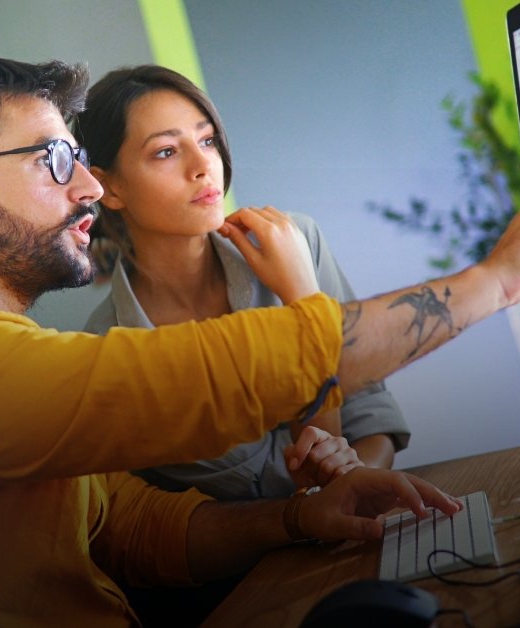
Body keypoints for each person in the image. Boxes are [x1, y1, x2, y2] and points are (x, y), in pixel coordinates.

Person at [0, 55, 520, 627]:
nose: (85, 187)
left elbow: (135, 527)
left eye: (78, 160)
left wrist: (300, 521)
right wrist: (497, 280)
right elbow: (208, 377)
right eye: (53, 161)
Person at [77, 65, 405, 502]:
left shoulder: (297, 241)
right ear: (107, 187)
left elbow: (370, 416)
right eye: (166, 152)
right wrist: (304, 303)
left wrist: (354, 486)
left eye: (207, 140)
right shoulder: (109, 356)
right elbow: (300, 477)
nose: (203, 166)